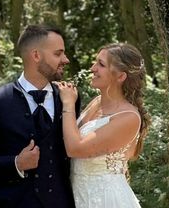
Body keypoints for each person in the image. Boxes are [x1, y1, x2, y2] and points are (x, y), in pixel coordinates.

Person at [0, 24, 80, 208]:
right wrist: (16, 163)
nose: (65, 59)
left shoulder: (69, 97)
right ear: (36, 55)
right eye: (58, 54)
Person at [56, 43, 150, 208]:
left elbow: (75, 148)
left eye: (101, 64)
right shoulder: (96, 102)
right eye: (95, 62)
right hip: (79, 195)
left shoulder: (128, 117)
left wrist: (68, 104)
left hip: (106, 199)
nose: (92, 68)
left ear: (121, 76)